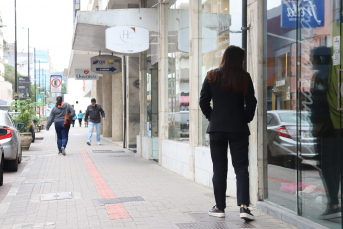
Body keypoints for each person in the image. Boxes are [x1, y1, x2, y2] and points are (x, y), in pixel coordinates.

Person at [200, 45, 257, 220]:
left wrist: (213, 117)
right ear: (240, 60)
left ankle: (220, 207)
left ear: (224, 57)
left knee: (219, 169)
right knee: (241, 168)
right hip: (238, 129)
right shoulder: (244, 77)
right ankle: (244, 208)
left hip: (217, 129)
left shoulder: (212, 75)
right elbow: (251, 102)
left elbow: (203, 101)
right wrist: (245, 119)